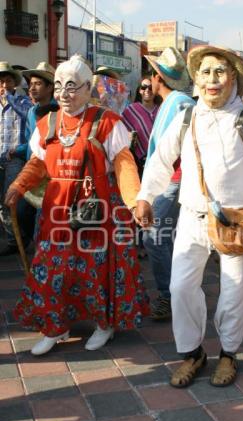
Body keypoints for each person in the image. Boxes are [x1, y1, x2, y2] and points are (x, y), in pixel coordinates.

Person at [135, 45, 243, 388]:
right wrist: (145, 197)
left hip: (239, 221)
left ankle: (228, 353)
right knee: (181, 287)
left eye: (220, 72)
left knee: (235, 291)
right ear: (196, 79)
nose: (213, 80)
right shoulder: (186, 116)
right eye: (206, 72)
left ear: (234, 79)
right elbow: (160, 162)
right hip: (192, 220)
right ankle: (193, 353)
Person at [5, 55, 149, 356]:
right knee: (51, 267)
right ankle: (55, 326)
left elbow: (124, 164)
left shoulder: (107, 121)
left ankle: (103, 324)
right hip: (57, 210)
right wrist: (18, 186)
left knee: (96, 270)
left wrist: (136, 202)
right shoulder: (47, 123)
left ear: (88, 88)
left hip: (97, 211)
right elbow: (38, 163)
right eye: (58, 85)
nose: (63, 93)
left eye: (71, 86)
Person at [142, 47, 195, 320]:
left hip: (173, 178)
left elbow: (166, 150)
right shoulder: (176, 101)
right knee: (167, 238)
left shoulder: (177, 102)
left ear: (157, 77)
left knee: (153, 237)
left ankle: (168, 295)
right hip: (174, 177)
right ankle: (178, 292)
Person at [0, 61, 32, 256]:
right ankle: (12, 238)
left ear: (14, 83)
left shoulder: (22, 101)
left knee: (11, 199)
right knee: (1, 203)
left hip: (15, 159)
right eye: (1, 81)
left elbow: (28, 115)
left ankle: (18, 240)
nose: (4, 85)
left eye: (8, 81)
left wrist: (10, 99)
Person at [122, 78, 160, 178]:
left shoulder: (161, 109)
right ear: (139, 90)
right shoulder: (131, 110)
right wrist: (128, 136)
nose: (147, 90)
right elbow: (120, 131)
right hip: (141, 163)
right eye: (144, 87)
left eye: (150, 87)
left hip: (161, 160)